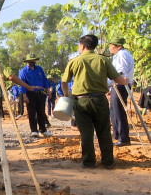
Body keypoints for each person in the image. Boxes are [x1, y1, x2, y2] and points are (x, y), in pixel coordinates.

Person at [62, 34, 127, 168]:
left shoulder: (74, 61)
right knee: (103, 131)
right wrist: (125, 80)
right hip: (99, 100)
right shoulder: (103, 60)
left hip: (81, 101)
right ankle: (108, 161)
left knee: (86, 132)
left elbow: (64, 82)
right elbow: (118, 79)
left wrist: (67, 94)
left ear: (83, 46)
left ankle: (89, 162)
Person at [108, 37, 134, 146]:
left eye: (111, 45)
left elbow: (120, 72)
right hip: (116, 85)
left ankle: (123, 138)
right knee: (113, 111)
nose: (109, 47)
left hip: (120, 85)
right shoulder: (118, 55)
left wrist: (107, 84)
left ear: (119, 46)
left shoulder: (122, 55)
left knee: (118, 111)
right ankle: (118, 136)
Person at [19, 53, 52, 137]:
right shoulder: (23, 71)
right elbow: (22, 84)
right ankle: (34, 131)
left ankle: (43, 130)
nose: (32, 62)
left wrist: (48, 89)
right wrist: (24, 95)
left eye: (33, 61)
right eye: (30, 61)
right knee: (31, 112)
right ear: (27, 61)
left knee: (41, 112)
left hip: (40, 93)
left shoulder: (39, 69)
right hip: (30, 94)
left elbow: (44, 80)